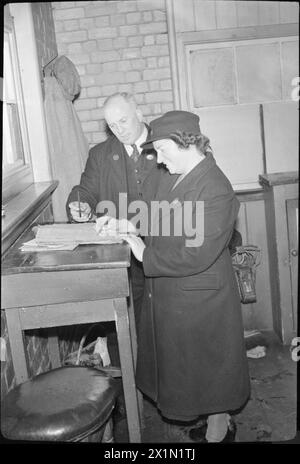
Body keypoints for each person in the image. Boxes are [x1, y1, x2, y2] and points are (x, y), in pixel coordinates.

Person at [120, 110, 251, 443]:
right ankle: (206, 416)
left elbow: (197, 252)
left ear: (186, 142)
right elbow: (157, 215)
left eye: (163, 150)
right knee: (187, 366)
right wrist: (130, 225)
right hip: (174, 290)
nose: (159, 160)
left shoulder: (215, 186)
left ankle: (219, 423)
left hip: (201, 295)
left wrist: (143, 253)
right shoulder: (173, 176)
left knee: (210, 365)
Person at [66, 92, 167, 329]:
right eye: (112, 126)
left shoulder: (167, 144)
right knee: (140, 322)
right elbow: (85, 190)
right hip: (127, 255)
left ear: (139, 114)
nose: (119, 130)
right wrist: (78, 204)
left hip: (167, 247)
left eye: (123, 121)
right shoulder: (100, 154)